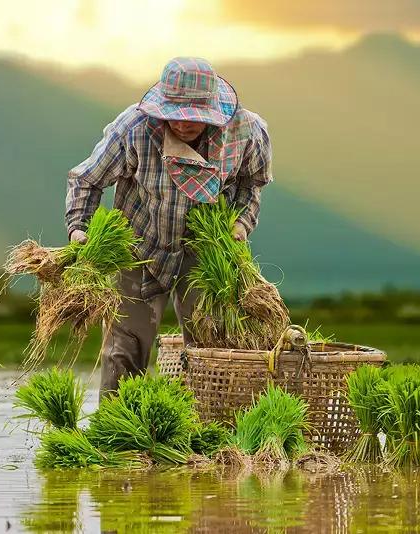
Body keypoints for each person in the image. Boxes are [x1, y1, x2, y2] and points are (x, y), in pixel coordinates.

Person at [65, 57, 273, 396]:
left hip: (205, 253)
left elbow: (253, 183)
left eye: (193, 117)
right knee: (125, 348)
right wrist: (79, 228)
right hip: (140, 246)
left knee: (212, 346)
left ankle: (207, 422)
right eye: (174, 114)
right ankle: (117, 425)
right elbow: (86, 180)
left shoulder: (245, 132)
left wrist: (241, 223)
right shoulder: (134, 130)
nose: (182, 124)